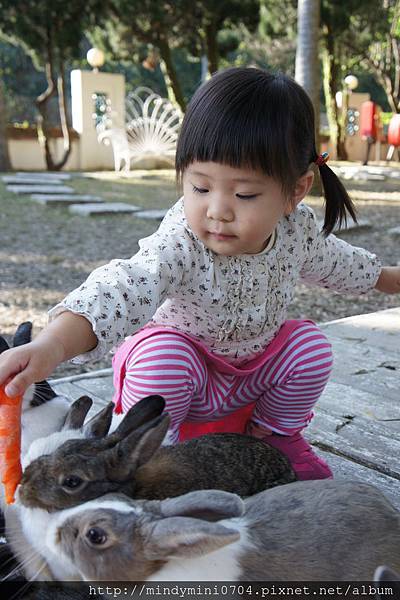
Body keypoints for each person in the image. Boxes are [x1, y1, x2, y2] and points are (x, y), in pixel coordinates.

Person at [1, 67, 399, 480]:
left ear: (295, 192)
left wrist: (389, 278)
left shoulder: (297, 231)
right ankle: (150, 459)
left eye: (245, 194)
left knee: (310, 348)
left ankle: (273, 437)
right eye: (201, 187)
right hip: (179, 381)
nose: (218, 210)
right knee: (163, 358)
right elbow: (121, 288)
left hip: (249, 380)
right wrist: (51, 345)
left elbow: (339, 262)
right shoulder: (182, 242)